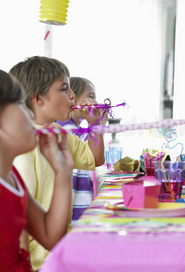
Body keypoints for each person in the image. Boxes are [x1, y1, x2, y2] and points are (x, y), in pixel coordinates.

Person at [9, 56, 106, 270]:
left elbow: (95, 158)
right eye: (64, 89)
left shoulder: (58, 134)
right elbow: (18, 223)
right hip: (39, 262)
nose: (72, 96)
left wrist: (95, 123)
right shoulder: (22, 149)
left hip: (59, 248)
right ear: (38, 98)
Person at [0, 70, 74, 272]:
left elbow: (51, 237)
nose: (31, 114)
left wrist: (63, 172)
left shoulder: (11, 177)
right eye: (19, 105)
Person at [56, 77, 103, 223]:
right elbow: (93, 153)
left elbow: (95, 158)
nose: (95, 102)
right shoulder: (66, 129)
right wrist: (97, 124)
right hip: (75, 210)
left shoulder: (71, 128)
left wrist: (95, 122)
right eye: (91, 96)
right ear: (73, 99)